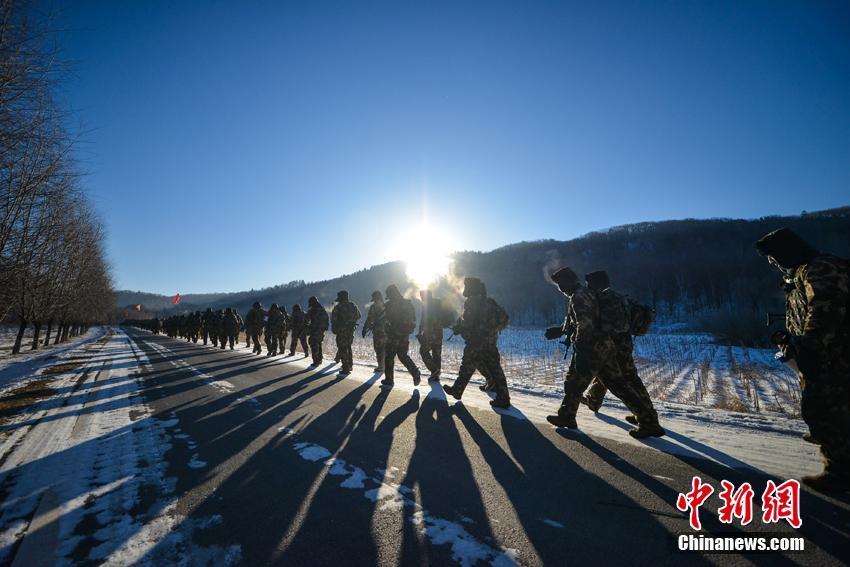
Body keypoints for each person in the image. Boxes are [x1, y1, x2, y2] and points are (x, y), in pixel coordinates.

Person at [756, 227, 850, 493]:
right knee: (837, 409)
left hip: (833, 357)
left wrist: (808, 346)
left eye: (773, 257)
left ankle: (840, 472)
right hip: (829, 354)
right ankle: (835, 442)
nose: (772, 263)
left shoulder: (818, 268)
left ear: (786, 252)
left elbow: (825, 309)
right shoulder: (803, 271)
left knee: (822, 410)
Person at [545, 267, 664, 438]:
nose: (560, 288)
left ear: (569, 281)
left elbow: (585, 324)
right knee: (619, 385)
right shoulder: (586, 294)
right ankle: (649, 422)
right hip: (605, 347)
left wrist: (581, 351)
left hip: (593, 348)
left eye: (561, 284)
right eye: (558, 285)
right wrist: (561, 330)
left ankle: (567, 417)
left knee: (574, 382)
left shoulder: (579, 296)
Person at [580, 271, 661, 436]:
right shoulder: (618, 297)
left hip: (613, 347)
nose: (587, 287)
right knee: (612, 376)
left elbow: (608, 328)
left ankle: (648, 418)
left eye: (589, 284)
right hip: (624, 344)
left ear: (597, 284)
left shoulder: (605, 300)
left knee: (623, 380)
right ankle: (594, 400)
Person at [442, 277, 511, 409]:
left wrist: (458, 328)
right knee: (496, 370)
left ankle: (457, 391)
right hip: (490, 342)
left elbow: (467, 322)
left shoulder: (472, 302)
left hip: (476, 342)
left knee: (467, 366)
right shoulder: (489, 302)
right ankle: (503, 398)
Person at [382, 284, 421, 387]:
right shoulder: (407, 304)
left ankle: (389, 379)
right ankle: (415, 373)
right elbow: (413, 320)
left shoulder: (390, 305)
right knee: (403, 356)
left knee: (389, 357)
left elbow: (387, 320)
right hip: (404, 335)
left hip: (394, 335)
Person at [418, 289, 452, 382]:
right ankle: (436, 375)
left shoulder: (427, 306)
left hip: (430, 333)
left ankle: (434, 370)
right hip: (439, 333)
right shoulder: (438, 303)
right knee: (436, 354)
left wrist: (420, 332)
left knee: (423, 351)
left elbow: (423, 320)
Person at [331, 290, 361, 375]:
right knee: (348, 347)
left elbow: (333, 320)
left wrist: (335, 328)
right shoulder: (353, 305)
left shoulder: (338, 307)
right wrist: (351, 321)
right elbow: (359, 316)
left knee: (342, 348)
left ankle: (345, 368)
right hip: (351, 331)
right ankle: (350, 365)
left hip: (342, 331)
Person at [362, 291, 387, 372]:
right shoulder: (386, 306)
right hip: (385, 331)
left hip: (379, 331)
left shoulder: (374, 307)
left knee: (379, 349)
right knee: (383, 349)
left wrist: (365, 328)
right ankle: (384, 366)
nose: (374, 301)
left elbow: (369, 318)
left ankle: (381, 367)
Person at [305, 296, 329, 366]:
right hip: (321, 330)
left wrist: (307, 326)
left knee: (313, 344)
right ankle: (320, 359)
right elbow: (327, 318)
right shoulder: (322, 309)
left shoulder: (313, 310)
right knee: (319, 343)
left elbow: (306, 319)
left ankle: (316, 361)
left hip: (314, 329)